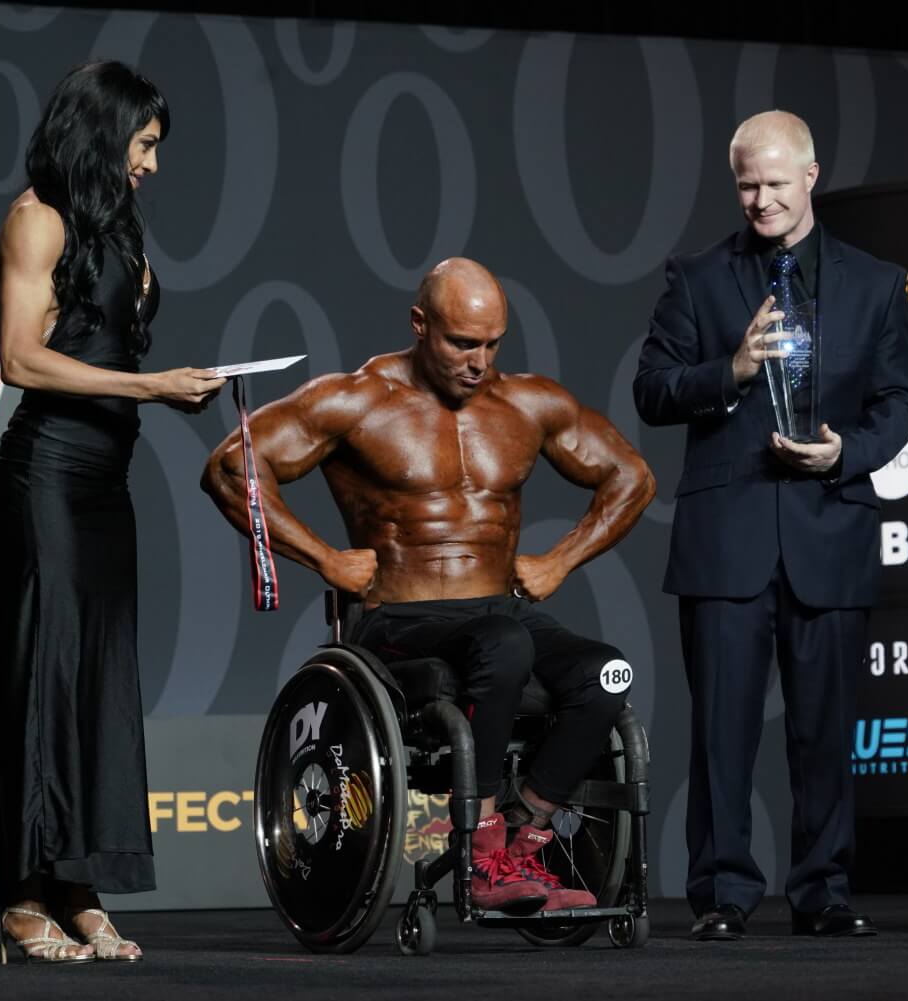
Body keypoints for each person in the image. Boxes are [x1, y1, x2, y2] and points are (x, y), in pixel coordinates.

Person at [202, 257, 654, 913]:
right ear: (420, 324)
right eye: (462, 343)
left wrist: (561, 559)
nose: (479, 362)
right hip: (400, 619)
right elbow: (229, 468)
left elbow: (632, 476)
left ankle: (522, 836)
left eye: (492, 344)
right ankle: (482, 848)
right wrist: (325, 558)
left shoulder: (527, 403)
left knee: (606, 673)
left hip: (497, 612)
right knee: (503, 643)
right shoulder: (357, 400)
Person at [0, 61, 226, 964]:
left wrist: (178, 388)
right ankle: (24, 896)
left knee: (98, 686)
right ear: (104, 134)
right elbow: (20, 360)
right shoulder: (37, 220)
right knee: (45, 679)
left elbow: (99, 342)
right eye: (144, 144)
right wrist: (151, 385)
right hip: (47, 479)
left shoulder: (117, 225)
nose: (152, 164)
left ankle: (78, 886)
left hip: (106, 484)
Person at [632, 110, 908, 940]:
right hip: (727, 539)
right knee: (720, 733)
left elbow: (899, 403)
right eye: (746, 185)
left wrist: (846, 453)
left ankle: (823, 891)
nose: (760, 200)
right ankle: (723, 891)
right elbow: (652, 390)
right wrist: (731, 369)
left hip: (832, 530)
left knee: (825, 733)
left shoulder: (878, 283)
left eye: (775, 183)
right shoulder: (697, 277)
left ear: (811, 176)